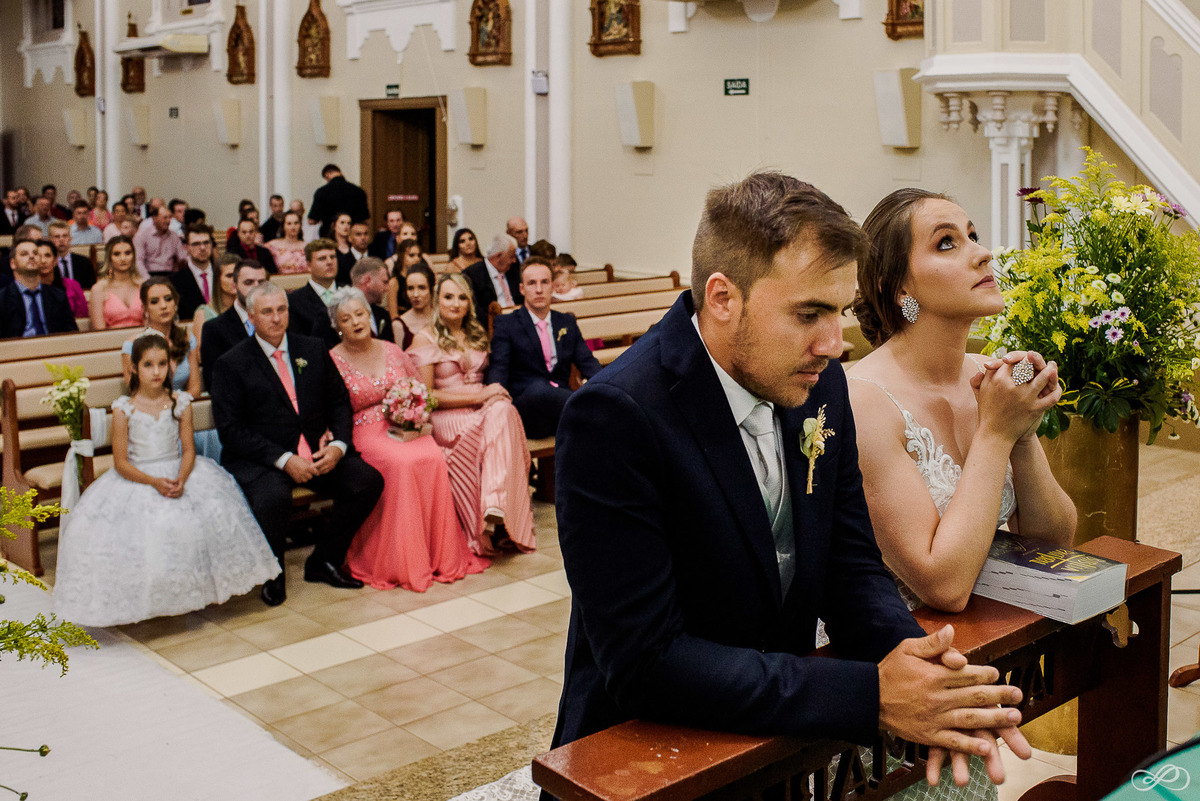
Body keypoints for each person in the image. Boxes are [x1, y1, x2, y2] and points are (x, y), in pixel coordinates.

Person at [549, 172, 1030, 790]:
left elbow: (850, 566)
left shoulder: (817, 380)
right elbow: (646, 661)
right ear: (723, 298)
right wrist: (872, 694)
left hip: (774, 749)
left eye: (839, 311)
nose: (833, 344)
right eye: (809, 313)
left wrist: (921, 669)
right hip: (648, 762)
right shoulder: (615, 416)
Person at [848, 190, 1077, 610]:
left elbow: (1055, 543)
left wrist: (1021, 435)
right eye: (946, 243)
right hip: (898, 643)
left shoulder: (988, 374)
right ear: (899, 289)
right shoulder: (864, 402)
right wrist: (994, 432)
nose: (983, 253)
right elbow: (944, 587)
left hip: (988, 625)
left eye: (973, 236)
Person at [52, 331, 280, 627]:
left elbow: (188, 450)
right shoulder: (123, 409)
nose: (157, 371)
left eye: (162, 364)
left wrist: (181, 478)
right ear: (134, 368)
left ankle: (193, 593)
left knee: (195, 526)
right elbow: (120, 462)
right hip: (139, 477)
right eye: (148, 365)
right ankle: (149, 598)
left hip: (179, 472)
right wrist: (153, 482)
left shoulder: (179, 402)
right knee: (147, 536)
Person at [211, 282, 385, 606]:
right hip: (264, 459)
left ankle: (324, 559)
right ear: (251, 316)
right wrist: (284, 459)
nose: (276, 318)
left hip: (317, 452)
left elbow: (338, 401)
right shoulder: (232, 363)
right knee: (274, 498)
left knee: (367, 481)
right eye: (267, 312)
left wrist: (339, 446)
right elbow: (232, 430)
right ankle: (273, 571)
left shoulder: (313, 348)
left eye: (281, 309)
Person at [327, 288, 488, 590]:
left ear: (369, 315)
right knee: (401, 463)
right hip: (363, 429)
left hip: (402, 423)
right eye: (346, 319)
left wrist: (413, 411)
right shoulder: (332, 360)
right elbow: (332, 407)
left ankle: (438, 555)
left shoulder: (390, 349)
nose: (355, 322)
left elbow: (418, 387)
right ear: (338, 325)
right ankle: (400, 561)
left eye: (360, 314)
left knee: (432, 456)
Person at [409, 274, 536, 557]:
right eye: (449, 297)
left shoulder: (477, 334)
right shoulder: (425, 337)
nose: (456, 304)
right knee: (501, 414)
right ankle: (495, 511)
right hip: (448, 415)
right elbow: (426, 397)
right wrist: (479, 396)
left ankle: (495, 507)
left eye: (462, 297)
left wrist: (491, 395)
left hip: (484, 412)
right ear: (437, 300)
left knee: (504, 409)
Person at [487, 258, 602, 438]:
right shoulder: (506, 324)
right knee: (539, 390)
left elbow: (588, 363)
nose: (539, 289)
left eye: (544, 282)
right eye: (532, 283)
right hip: (528, 410)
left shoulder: (566, 322)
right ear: (522, 289)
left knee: (601, 408)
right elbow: (499, 367)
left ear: (553, 287)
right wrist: (494, 399)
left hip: (561, 412)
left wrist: (611, 389)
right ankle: (582, 407)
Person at [122, 277, 202, 398]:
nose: (163, 306)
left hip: (183, 407)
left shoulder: (187, 338)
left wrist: (177, 403)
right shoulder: (131, 346)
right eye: (155, 301)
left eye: (168, 299)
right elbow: (136, 393)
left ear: (175, 304)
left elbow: (195, 390)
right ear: (145, 309)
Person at [199, 259, 268, 391]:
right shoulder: (215, 329)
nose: (256, 288)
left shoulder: (279, 320)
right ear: (235, 286)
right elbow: (215, 383)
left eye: (261, 282)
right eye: (248, 282)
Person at [0, 239, 77, 337]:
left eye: (35, 253)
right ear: (13, 264)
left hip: (54, 348)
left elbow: (72, 333)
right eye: (24, 254)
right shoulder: (2, 299)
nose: (32, 256)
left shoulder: (58, 296)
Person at [287, 239, 342, 347]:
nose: (330, 262)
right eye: (322, 258)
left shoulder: (350, 291)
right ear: (308, 265)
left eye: (333, 257)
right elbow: (297, 341)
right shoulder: (294, 301)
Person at [462, 234, 521, 325]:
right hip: (492, 324)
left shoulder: (514, 270)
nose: (514, 261)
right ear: (498, 256)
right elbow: (474, 310)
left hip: (518, 319)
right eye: (511, 257)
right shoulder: (471, 275)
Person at [89, 236, 143, 330]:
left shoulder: (143, 286)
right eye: (117, 254)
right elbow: (99, 331)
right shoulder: (99, 289)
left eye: (127, 253)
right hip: (110, 342)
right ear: (109, 258)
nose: (123, 258)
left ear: (133, 256)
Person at [171, 224, 219, 320]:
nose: (202, 248)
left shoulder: (222, 274)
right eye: (196, 244)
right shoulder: (175, 281)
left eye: (206, 243)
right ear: (186, 247)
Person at [308, 163, 370, 238]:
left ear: (327, 175)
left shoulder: (322, 192)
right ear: (340, 173)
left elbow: (312, 220)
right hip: (353, 236)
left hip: (329, 235)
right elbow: (365, 219)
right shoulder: (358, 191)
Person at [192, 253, 239, 350]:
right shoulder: (203, 313)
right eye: (229, 276)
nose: (235, 280)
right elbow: (201, 355)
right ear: (218, 279)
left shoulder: (250, 310)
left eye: (238, 275)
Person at [36, 238, 88, 318]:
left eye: (47, 255)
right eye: (38, 256)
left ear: (55, 260)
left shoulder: (73, 285)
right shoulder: (29, 289)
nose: (43, 261)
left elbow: (82, 317)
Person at [349, 257, 395, 343]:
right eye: (384, 282)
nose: (387, 288)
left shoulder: (383, 315)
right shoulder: (341, 313)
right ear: (367, 281)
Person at [133, 205, 186, 277]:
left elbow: (182, 257)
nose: (168, 221)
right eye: (165, 218)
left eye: (169, 217)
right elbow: (138, 261)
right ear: (155, 219)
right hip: (149, 274)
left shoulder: (174, 236)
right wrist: (147, 279)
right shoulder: (142, 235)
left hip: (169, 275)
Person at [394, 263, 436, 349]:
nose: (415, 294)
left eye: (422, 288)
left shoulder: (442, 318)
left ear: (432, 289)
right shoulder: (399, 324)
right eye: (410, 288)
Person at [48, 219, 97, 288]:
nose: (61, 240)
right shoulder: (47, 264)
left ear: (70, 238)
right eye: (57, 236)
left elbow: (91, 288)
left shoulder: (85, 263)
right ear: (50, 239)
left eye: (65, 236)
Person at [384, 237, 423, 319]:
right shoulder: (394, 282)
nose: (417, 259)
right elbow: (394, 316)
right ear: (401, 256)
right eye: (411, 255)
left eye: (419, 255)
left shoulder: (422, 279)